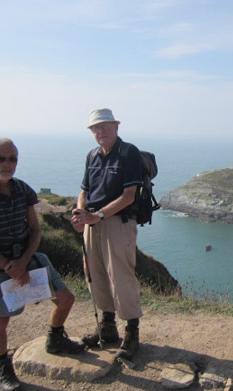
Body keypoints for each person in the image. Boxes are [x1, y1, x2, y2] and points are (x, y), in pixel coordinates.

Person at [0, 137, 85, 391]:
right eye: (1, 158)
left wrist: (24, 261)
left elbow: (35, 229)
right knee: (1, 319)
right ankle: (4, 366)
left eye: (12, 158)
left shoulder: (22, 189)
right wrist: (10, 266)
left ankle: (55, 338)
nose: (8, 164)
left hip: (28, 259)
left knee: (65, 299)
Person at [70, 108, 143, 360]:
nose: (100, 132)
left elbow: (129, 195)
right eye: (95, 128)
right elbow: (84, 189)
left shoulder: (128, 152)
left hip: (117, 222)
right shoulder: (92, 155)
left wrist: (98, 215)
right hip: (92, 222)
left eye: (104, 126)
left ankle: (132, 333)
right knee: (96, 273)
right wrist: (81, 213)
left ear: (116, 127)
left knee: (121, 275)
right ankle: (108, 327)